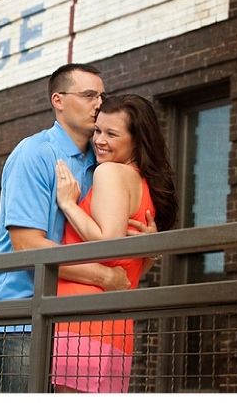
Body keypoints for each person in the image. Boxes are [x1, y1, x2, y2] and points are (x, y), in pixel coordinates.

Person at [0, 64, 157, 393]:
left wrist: (151, 247)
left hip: (72, 322)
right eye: (89, 95)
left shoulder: (103, 160)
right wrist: (104, 277)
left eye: (102, 96)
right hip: (21, 319)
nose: (99, 104)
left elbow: (115, 243)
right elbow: (28, 247)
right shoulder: (34, 154)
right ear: (58, 100)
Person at [51, 94, 178, 393]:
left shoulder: (109, 172)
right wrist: (152, 253)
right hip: (117, 327)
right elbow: (131, 266)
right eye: (98, 130)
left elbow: (108, 246)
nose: (100, 141)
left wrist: (68, 205)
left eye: (112, 134)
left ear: (137, 140)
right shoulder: (144, 185)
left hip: (81, 322)